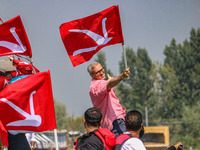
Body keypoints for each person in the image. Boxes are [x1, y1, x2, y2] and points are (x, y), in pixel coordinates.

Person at [87, 62, 130, 138]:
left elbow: (108, 84)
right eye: (98, 72)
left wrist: (110, 81)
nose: (102, 73)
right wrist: (122, 76)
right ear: (92, 75)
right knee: (122, 144)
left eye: (102, 70)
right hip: (115, 122)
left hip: (110, 124)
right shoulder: (96, 86)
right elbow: (108, 85)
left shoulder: (98, 85)